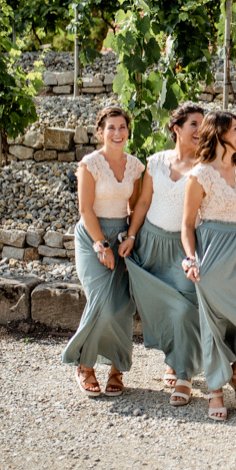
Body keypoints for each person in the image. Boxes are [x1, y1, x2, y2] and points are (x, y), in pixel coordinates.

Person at [121, 102, 205, 406]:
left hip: (182, 247)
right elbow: (143, 203)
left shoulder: (206, 166)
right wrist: (131, 235)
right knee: (158, 307)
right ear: (176, 129)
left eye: (203, 124)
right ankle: (175, 358)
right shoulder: (156, 161)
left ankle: (183, 376)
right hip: (150, 243)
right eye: (193, 124)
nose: (200, 130)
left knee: (184, 309)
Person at [181, 111, 236, 421]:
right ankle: (215, 389)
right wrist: (191, 257)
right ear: (220, 134)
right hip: (212, 250)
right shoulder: (200, 175)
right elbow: (187, 224)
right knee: (213, 324)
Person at [63, 106, 145, 397]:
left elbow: (134, 207)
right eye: (111, 127)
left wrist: (131, 237)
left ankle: (116, 368)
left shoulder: (135, 166)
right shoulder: (90, 164)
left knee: (122, 306)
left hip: (122, 238)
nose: (117, 133)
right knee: (101, 302)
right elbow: (85, 208)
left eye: (122, 127)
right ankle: (84, 365)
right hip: (92, 236)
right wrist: (101, 245)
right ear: (101, 132)